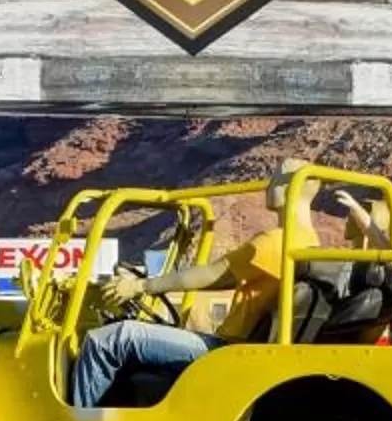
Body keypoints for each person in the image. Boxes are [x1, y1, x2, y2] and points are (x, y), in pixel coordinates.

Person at [66, 162, 343, 407]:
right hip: (242, 348)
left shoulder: (276, 240)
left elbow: (213, 274)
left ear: (290, 186)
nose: (269, 183)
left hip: (228, 349)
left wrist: (141, 286)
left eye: (277, 177)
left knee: (110, 339)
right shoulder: (308, 239)